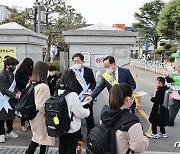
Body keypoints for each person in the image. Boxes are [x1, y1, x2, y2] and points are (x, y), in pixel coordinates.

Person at [101, 83, 148, 154]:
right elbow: (139, 147)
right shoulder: (132, 123)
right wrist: (145, 139)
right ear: (128, 100)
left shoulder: (105, 115)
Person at [25, 61, 55, 154]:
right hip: (41, 118)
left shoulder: (30, 83)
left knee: (38, 138)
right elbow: (41, 105)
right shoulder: (43, 87)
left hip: (33, 116)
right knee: (43, 139)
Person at [58, 69, 90, 154]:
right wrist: (88, 111)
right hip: (71, 127)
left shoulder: (58, 91)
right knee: (71, 149)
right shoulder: (72, 95)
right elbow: (79, 112)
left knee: (62, 146)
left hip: (60, 126)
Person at [71, 53, 96, 138]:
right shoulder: (71, 71)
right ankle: (78, 137)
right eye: (74, 61)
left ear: (83, 61)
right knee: (76, 119)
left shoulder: (89, 71)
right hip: (75, 99)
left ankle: (91, 136)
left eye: (78, 61)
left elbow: (93, 82)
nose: (76, 63)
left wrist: (90, 89)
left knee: (89, 118)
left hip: (86, 98)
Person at [0, 56, 20, 143]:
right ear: (7, 66)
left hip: (11, 99)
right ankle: (1, 133)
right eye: (13, 65)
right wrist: (14, 95)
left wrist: (18, 92)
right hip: (2, 99)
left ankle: (9, 130)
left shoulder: (12, 74)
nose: (14, 67)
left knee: (10, 115)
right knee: (1, 117)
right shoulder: (1, 75)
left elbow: (14, 85)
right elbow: (3, 89)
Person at [15, 57, 34, 132]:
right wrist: (27, 82)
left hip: (29, 91)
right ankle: (22, 124)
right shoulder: (20, 71)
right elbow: (17, 81)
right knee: (23, 107)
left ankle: (30, 123)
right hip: (22, 91)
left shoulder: (30, 71)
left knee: (30, 107)